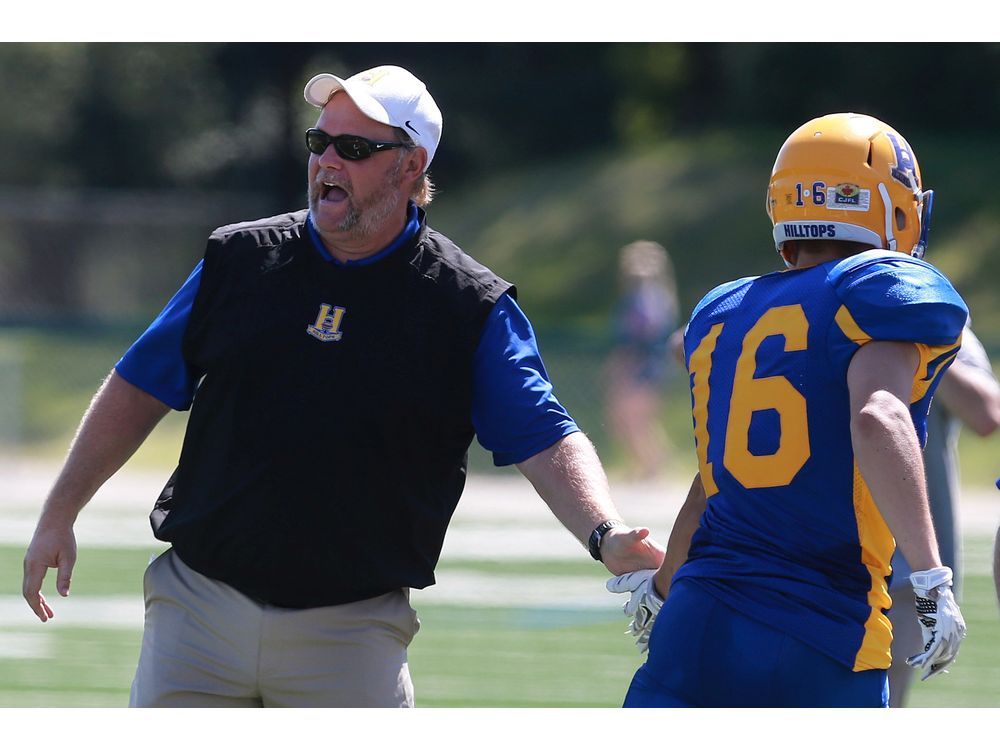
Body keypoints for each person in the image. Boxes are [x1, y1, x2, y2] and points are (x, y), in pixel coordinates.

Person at [21, 64, 664, 708]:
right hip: (197, 614)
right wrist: (59, 511)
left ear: (411, 167)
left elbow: (544, 433)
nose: (328, 160)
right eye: (319, 142)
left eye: (354, 148)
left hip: (352, 634)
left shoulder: (466, 304)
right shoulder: (241, 260)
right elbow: (138, 387)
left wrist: (604, 534)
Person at [607, 112, 969, 707]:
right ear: (892, 205)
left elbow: (715, 483)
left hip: (698, 617)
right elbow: (879, 416)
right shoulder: (881, 289)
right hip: (820, 624)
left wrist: (666, 583)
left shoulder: (723, 308)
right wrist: (930, 577)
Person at [887, 323, 1000, 706]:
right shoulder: (808, 302)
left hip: (900, 570)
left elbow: (986, 413)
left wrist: (917, 340)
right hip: (804, 555)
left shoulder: (933, 315)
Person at [604, 240, 679, 479]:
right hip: (643, 363)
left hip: (643, 365)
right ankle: (646, 465)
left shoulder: (650, 298)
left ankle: (652, 466)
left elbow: (642, 338)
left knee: (633, 418)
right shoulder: (645, 297)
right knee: (632, 419)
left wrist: (626, 364)